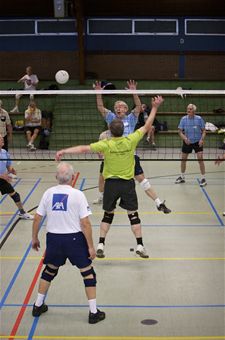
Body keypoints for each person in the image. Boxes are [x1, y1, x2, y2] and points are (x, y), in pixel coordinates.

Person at [56, 96, 164, 259]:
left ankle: (100, 244)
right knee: (133, 214)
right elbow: (148, 125)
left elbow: (83, 149)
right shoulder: (131, 140)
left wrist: (64, 151)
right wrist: (154, 107)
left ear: (110, 132)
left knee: (108, 215)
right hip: (127, 185)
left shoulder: (105, 144)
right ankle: (140, 245)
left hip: (111, 185)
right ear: (123, 130)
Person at [32, 162, 105, 324]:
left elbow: (37, 217)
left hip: (54, 239)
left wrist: (34, 237)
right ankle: (93, 312)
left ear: (56, 177)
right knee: (88, 273)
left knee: (49, 270)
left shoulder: (48, 193)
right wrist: (91, 247)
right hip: (74, 240)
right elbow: (85, 223)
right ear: (73, 178)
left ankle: (37, 306)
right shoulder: (78, 195)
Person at [92, 80, 171, 215]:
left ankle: (158, 202)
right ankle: (102, 197)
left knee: (142, 180)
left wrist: (134, 92)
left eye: (121, 106)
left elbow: (139, 107)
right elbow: (100, 107)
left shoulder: (131, 119)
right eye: (116, 106)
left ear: (126, 109)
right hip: (112, 155)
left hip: (129, 155)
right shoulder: (111, 117)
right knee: (102, 178)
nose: (118, 108)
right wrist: (99, 93)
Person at [0, 135, 34, 220]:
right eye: (0, 139)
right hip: (2, 177)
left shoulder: (4, 152)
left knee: (15, 195)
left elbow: (8, 165)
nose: (2, 139)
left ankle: (22, 213)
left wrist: (11, 170)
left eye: (2, 138)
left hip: (3, 179)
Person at [175, 103, 207, 187]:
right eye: (188, 109)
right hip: (187, 141)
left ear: (194, 111)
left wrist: (201, 140)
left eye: (190, 109)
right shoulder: (183, 119)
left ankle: (203, 178)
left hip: (197, 142)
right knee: (183, 159)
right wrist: (185, 138)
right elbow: (180, 131)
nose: (188, 110)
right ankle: (182, 177)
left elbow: (204, 131)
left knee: (200, 159)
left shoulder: (199, 119)